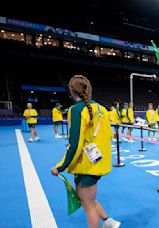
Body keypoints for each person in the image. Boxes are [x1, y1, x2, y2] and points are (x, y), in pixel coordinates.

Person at [50, 75, 120, 228]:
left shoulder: (76, 110)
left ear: (71, 91)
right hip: (98, 162)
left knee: (88, 205)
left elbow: (74, 144)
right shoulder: (102, 108)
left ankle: (108, 222)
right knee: (88, 200)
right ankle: (109, 221)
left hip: (86, 164)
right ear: (89, 89)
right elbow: (109, 136)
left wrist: (60, 166)